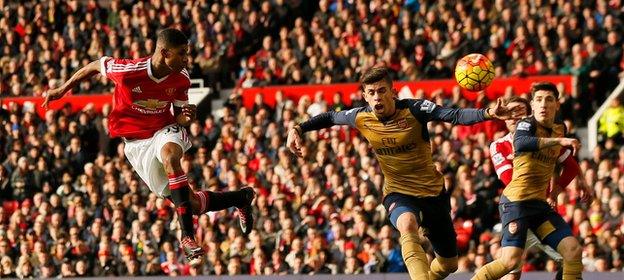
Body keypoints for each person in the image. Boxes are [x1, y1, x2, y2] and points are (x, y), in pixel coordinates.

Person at [286, 66, 525, 279]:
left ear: (392, 91)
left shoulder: (415, 109)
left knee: (449, 264)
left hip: (433, 194)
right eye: (371, 92)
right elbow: (329, 117)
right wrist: (298, 127)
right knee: (407, 224)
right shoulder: (361, 117)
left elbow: (453, 115)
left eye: (381, 90)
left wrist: (488, 113)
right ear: (365, 96)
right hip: (398, 193)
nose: (376, 97)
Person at [42, 28, 255, 265]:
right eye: (182, 53)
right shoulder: (128, 71)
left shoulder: (181, 77)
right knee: (192, 204)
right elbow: (94, 66)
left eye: (187, 53)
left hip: (164, 131)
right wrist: (62, 89)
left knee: (170, 157)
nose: (187, 59)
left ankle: (187, 236)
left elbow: (180, 117)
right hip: (136, 145)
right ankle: (241, 197)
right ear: (164, 53)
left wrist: (187, 116)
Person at [473, 82, 593, 280]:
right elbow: (517, 154)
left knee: (572, 252)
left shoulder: (556, 129)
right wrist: (557, 143)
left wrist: (556, 190)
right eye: (539, 100)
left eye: (549, 99)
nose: (544, 104)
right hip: (517, 206)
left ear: (557, 104)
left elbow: (569, 164)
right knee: (510, 266)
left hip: (539, 208)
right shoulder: (517, 133)